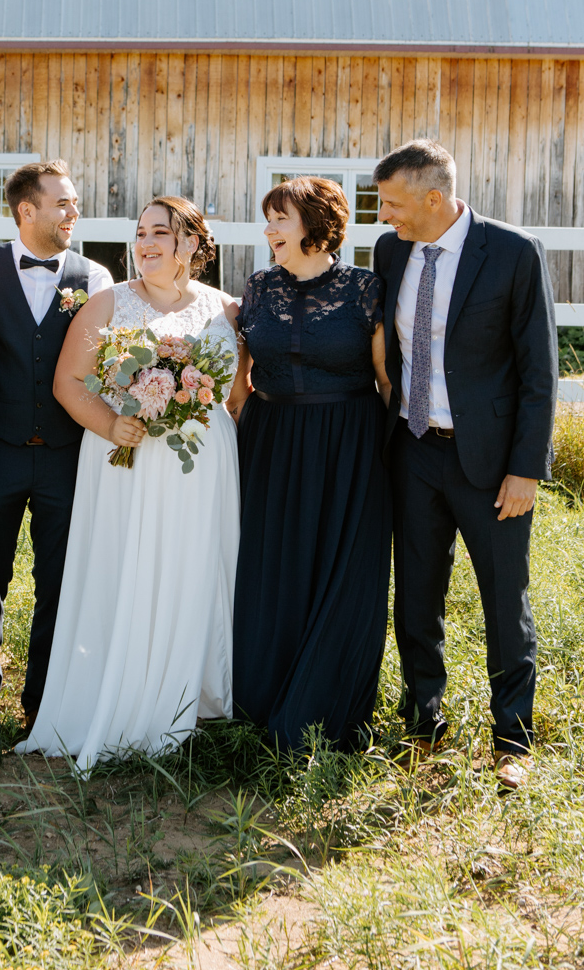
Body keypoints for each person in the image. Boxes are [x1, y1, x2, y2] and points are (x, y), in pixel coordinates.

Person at [19, 196, 248, 769]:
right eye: (140, 233)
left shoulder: (227, 310)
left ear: (191, 244)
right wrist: (111, 423)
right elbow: (69, 384)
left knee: (198, 569)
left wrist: (213, 434)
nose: (145, 243)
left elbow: (238, 395)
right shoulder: (108, 304)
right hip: (128, 460)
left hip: (203, 469)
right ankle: (122, 692)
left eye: (160, 234)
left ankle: (191, 698)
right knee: (129, 569)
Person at [374, 140, 557, 790]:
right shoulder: (390, 251)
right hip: (413, 450)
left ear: (432, 197)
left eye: (392, 203)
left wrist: (525, 469)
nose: (383, 216)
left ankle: (512, 739)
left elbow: (539, 370)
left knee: (503, 601)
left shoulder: (511, 252)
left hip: (490, 463)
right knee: (415, 599)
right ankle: (423, 727)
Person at [232, 177, 392, 753]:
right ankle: (259, 702)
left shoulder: (363, 289)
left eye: (280, 218)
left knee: (342, 569)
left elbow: (386, 382)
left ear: (317, 225)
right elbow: (239, 384)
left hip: (349, 443)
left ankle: (326, 712)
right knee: (272, 566)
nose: (269, 229)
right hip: (271, 441)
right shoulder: (256, 289)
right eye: (267, 218)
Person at [0, 161, 113, 731]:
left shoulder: (94, 277)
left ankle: (44, 707)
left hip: (66, 456)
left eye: (73, 203)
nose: (75, 212)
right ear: (28, 210)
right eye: (64, 203)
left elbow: (97, 366)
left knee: (60, 584)